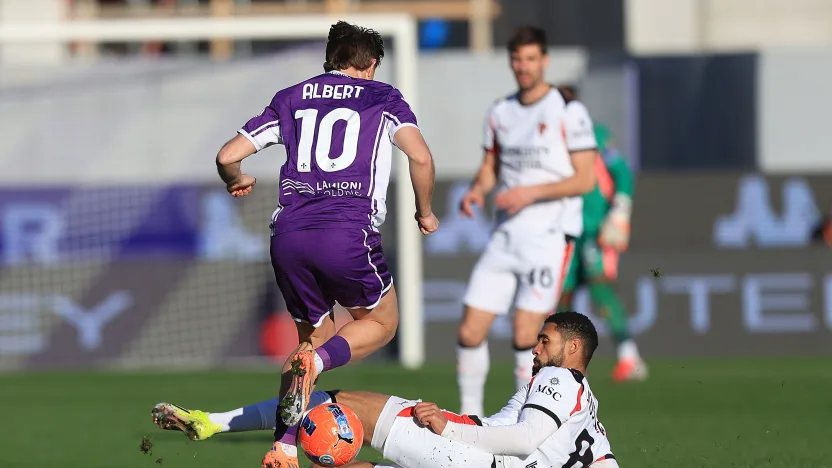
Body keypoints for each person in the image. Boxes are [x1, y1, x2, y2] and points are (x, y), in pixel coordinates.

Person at [214, 20, 439, 468]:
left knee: (309, 342)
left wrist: (236, 180)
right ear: (371, 64)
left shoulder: (291, 97)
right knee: (382, 324)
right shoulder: (382, 97)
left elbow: (226, 156)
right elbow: (420, 155)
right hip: (346, 231)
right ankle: (316, 364)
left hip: (290, 235)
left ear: (329, 60)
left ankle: (282, 444)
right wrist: (425, 211)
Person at [152, 312, 617, 468]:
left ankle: (216, 424)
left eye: (545, 340)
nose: (535, 348)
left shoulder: (560, 378)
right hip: (479, 456)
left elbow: (519, 441)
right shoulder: (583, 404)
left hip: (479, 462)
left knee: (337, 402)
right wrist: (450, 420)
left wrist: (449, 431)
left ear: (573, 348)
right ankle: (216, 425)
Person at [456, 26, 597, 416]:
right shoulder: (500, 112)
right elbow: (490, 168)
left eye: (531, 58)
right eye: (517, 59)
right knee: (469, 330)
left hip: (549, 235)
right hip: (506, 234)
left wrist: (529, 193)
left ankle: (525, 420)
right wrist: (477, 191)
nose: (524, 67)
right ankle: (469, 418)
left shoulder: (568, 110)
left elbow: (585, 177)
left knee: (526, 334)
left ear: (545, 61)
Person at [553, 86, 647, 382]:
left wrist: (620, 210)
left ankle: (629, 357)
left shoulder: (596, 135)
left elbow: (622, 172)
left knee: (600, 289)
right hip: (561, 230)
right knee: (560, 298)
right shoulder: (547, 136)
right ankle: (563, 365)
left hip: (592, 228)